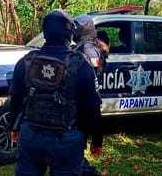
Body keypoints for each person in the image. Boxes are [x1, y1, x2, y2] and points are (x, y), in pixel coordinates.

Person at [9, 9, 103, 176]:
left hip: (30, 137)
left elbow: (15, 99)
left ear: (45, 32)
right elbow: (93, 109)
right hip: (65, 143)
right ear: (70, 34)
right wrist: (96, 140)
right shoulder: (81, 65)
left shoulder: (25, 62)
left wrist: (13, 127)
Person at [73, 15, 110, 176]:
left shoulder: (87, 49)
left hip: (83, 109)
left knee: (76, 156)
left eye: (76, 27)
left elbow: (90, 84)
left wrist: (97, 139)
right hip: (83, 107)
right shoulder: (86, 46)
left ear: (84, 28)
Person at [73, 14, 110, 79]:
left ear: (87, 27)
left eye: (77, 26)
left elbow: (92, 74)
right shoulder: (87, 45)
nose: (75, 29)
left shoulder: (88, 50)